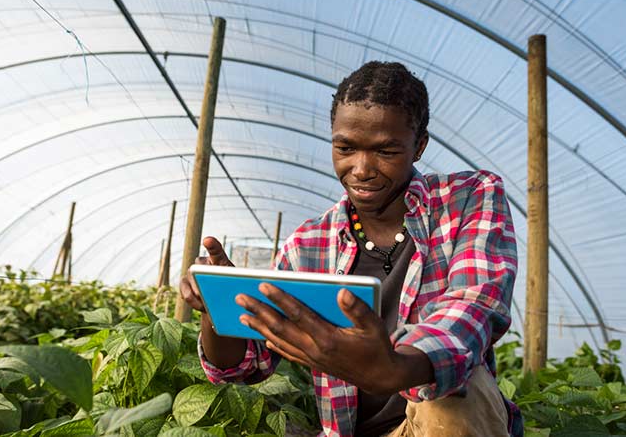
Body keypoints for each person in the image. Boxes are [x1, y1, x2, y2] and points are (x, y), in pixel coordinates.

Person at [180, 61, 522, 437]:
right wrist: (222, 308)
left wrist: (395, 367)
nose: (361, 169)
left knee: (460, 394)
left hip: (432, 425)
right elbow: (245, 367)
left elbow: (473, 305)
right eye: (345, 148)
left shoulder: (467, 199)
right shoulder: (309, 245)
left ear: (418, 146)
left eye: (386, 151)